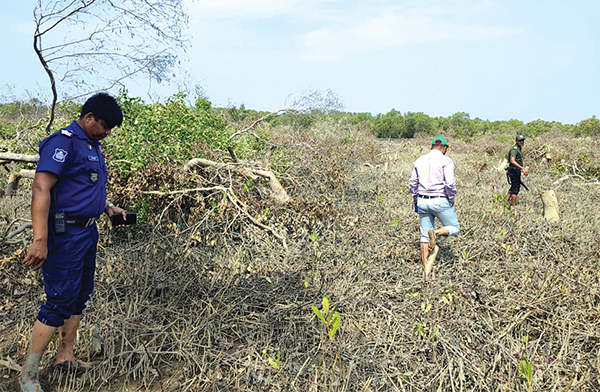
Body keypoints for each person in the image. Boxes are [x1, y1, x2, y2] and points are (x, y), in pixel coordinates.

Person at [19, 93, 126, 392]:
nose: (107, 132)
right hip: (64, 235)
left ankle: (65, 356)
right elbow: (42, 187)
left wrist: (106, 207)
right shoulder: (63, 141)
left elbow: (82, 186)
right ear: (88, 117)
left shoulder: (91, 145)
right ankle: (28, 375)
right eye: (104, 125)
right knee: (59, 301)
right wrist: (40, 240)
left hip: (87, 232)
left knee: (80, 295)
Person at [408, 135, 460, 277]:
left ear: (430, 146)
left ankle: (426, 269)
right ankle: (436, 233)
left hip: (422, 200)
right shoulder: (447, 161)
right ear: (445, 148)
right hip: (440, 200)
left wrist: (415, 199)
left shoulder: (419, 160)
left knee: (424, 235)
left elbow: (413, 183)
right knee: (454, 227)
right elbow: (450, 183)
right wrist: (451, 198)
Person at [506, 134, 528, 207]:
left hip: (515, 170)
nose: (522, 142)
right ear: (516, 141)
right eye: (520, 141)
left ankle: (505, 203)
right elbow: (512, 161)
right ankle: (512, 206)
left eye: (522, 141)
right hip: (514, 171)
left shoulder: (518, 148)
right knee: (515, 189)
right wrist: (522, 168)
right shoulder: (514, 150)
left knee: (513, 187)